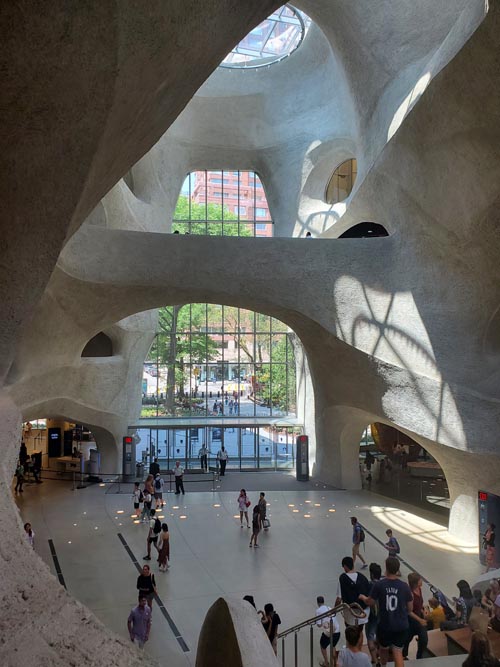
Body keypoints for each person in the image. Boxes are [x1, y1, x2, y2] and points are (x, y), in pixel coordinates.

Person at [359, 556, 413, 667]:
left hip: (385, 625)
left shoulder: (380, 585)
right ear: (397, 570)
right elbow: (410, 609)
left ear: (386, 568)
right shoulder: (404, 586)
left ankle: (383, 665)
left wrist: (363, 597)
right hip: (401, 626)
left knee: (383, 649)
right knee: (398, 652)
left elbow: (370, 602)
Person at [335, 556, 371, 631]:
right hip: (363, 612)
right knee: (360, 631)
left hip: (350, 612)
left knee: (350, 632)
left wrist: (334, 610)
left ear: (345, 566)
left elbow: (339, 598)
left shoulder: (343, 578)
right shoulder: (363, 577)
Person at [403, 572, 428, 660]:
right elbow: (409, 611)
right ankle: (403, 656)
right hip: (411, 621)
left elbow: (419, 604)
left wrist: (423, 610)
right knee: (406, 640)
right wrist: (420, 620)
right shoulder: (410, 594)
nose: (422, 581)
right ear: (416, 583)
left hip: (419, 618)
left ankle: (419, 657)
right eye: (420, 580)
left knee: (424, 639)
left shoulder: (419, 589)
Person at [316, 595, 341, 667]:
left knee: (322, 645)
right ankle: (335, 663)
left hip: (329, 632)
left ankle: (326, 663)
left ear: (318, 603)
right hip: (337, 631)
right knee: (333, 646)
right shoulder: (329, 608)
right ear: (323, 601)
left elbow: (319, 625)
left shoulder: (318, 611)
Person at [366, 562, 382, 665]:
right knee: (379, 634)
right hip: (382, 615)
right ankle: (379, 655)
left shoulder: (369, 585)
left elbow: (368, 600)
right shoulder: (383, 585)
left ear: (371, 574)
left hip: (372, 614)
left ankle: (374, 659)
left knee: (370, 635)